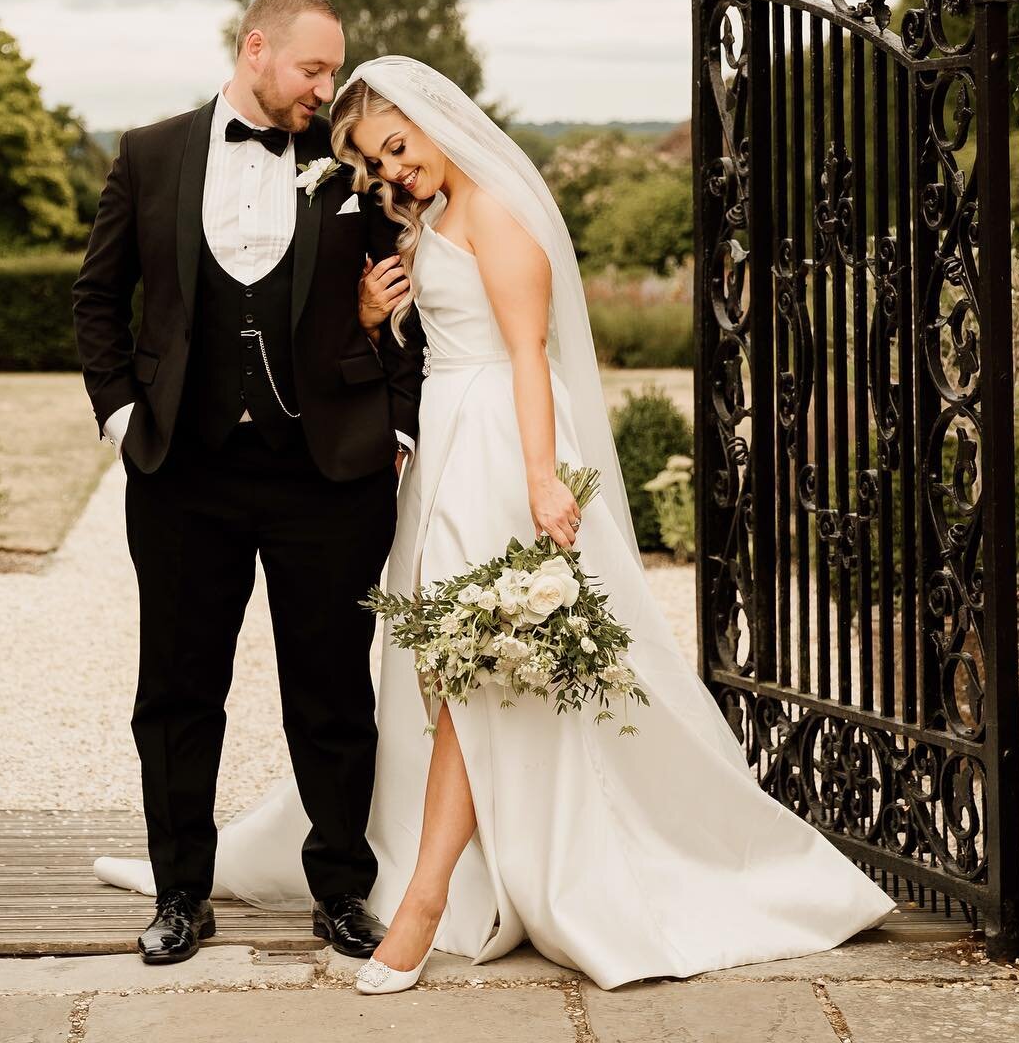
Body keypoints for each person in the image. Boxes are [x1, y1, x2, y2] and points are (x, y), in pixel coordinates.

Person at [94, 54, 896, 994]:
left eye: (397, 149)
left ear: (436, 120)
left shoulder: (505, 220)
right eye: (375, 164)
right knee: (444, 668)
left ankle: (427, 902)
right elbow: (407, 332)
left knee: (483, 665)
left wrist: (542, 479)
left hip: (501, 457)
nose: (392, 173)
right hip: (440, 455)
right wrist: (365, 313)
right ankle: (420, 866)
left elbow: (527, 358)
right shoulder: (421, 220)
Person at [71, 0, 425, 965]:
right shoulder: (151, 152)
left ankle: (342, 891)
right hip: (184, 473)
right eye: (313, 69)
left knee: (332, 692)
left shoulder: (348, 168)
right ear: (256, 48)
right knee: (178, 690)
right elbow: (99, 295)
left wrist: (398, 429)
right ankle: (182, 893)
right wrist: (121, 413)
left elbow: (412, 292)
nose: (328, 87)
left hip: (330, 473)